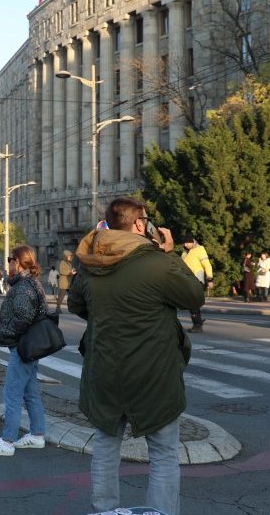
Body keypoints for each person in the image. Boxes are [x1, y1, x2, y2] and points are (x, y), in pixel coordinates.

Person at [68, 196, 205, 515]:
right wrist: (171, 255)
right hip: (153, 375)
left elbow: (77, 305)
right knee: (163, 453)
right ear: (139, 225)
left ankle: (104, 511)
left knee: (104, 447)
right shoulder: (156, 263)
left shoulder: (90, 264)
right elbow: (194, 296)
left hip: (104, 372)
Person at [0, 245, 51, 457]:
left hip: (22, 346)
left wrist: (9, 333)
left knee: (12, 394)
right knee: (30, 392)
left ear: (19, 262)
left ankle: (7, 441)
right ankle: (37, 434)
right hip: (30, 346)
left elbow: (23, 318)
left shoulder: (23, 287)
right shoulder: (32, 283)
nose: (8, 262)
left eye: (11, 258)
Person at [181, 236, 215, 332]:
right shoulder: (184, 253)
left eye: (187, 243)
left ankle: (198, 325)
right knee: (191, 304)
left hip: (197, 280)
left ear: (192, 242)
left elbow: (207, 265)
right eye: (184, 243)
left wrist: (210, 279)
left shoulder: (200, 250)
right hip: (186, 280)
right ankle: (197, 323)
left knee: (193, 303)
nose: (185, 245)